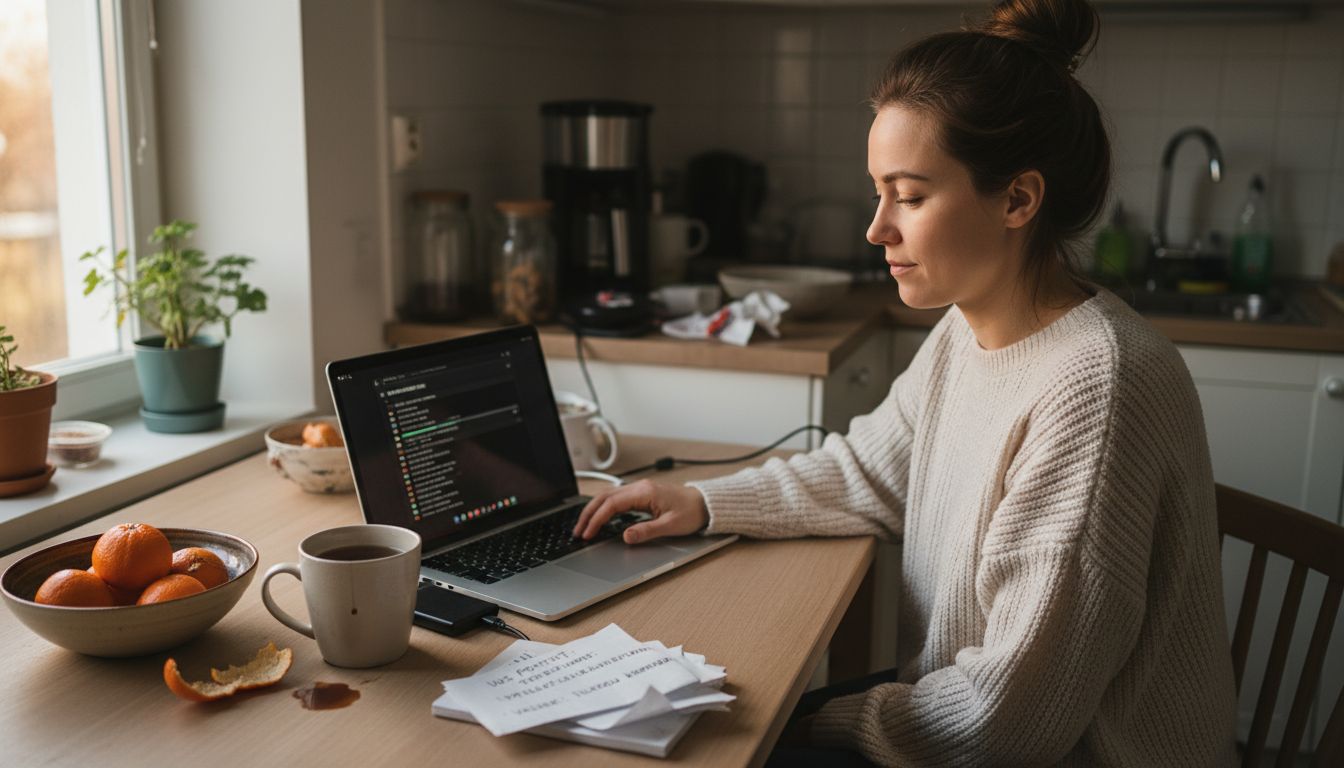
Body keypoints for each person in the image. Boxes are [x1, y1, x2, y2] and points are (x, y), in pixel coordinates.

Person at [573, 0, 1239, 764]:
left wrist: (819, 722)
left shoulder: (1097, 387)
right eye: (878, 192)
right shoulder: (970, 328)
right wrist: (705, 501)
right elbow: (870, 472)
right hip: (974, 715)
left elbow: (1006, 724)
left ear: (1018, 199)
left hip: (1058, 750)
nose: (877, 228)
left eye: (911, 196)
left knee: (727, 738)